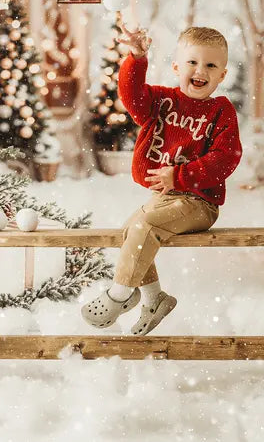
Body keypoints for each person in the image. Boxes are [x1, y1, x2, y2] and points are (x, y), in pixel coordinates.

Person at [81, 25, 243, 335]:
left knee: (145, 226)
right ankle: (155, 298)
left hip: (199, 202)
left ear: (222, 75)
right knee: (130, 231)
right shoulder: (161, 101)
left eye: (210, 65)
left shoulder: (220, 110)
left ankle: (119, 294)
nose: (200, 71)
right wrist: (137, 58)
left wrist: (180, 175)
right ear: (176, 67)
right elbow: (131, 97)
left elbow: (226, 158)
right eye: (193, 62)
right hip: (165, 199)